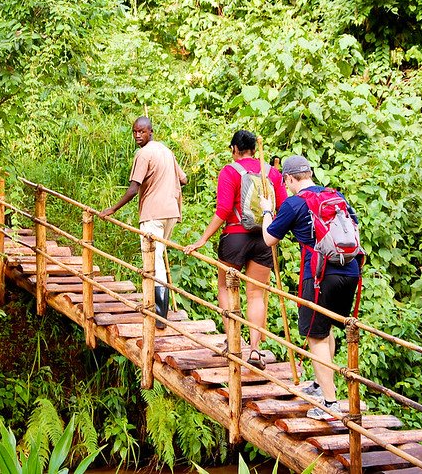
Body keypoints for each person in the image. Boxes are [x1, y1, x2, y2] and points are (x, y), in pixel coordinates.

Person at [260, 155, 362, 420]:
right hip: (350, 270)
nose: (288, 185)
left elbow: (269, 238)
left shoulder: (295, 203)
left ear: (291, 178)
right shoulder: (335, 196)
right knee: (325, 328)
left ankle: (330, 403)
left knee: (315, 335)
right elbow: (354, 225)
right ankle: (319, 385)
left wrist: (266, 211)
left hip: (319, 274)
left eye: (287, 181)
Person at [184, 130, 287, 369]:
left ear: (234, 149)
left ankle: (233, 341)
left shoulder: (230, 171)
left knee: (225, 286)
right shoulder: (271, 172)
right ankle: (254, 350)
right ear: (253, 148)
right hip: (264, 238)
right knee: (257, 295)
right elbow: (281, 206)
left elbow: (222, 210)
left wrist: (201, 240)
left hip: (234, 236)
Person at [100, 116, 188, 329]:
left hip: (153, 215)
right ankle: (158, 309)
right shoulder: (166, 151)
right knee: (158, 257)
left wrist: (112, 209)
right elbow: (184, 180)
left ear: (151, 132)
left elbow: (133, 189)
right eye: (135, 132)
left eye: (142, 132)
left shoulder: (144, 154)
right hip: (171, 213)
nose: (138, 136)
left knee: (154, 261)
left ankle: (159, 313)